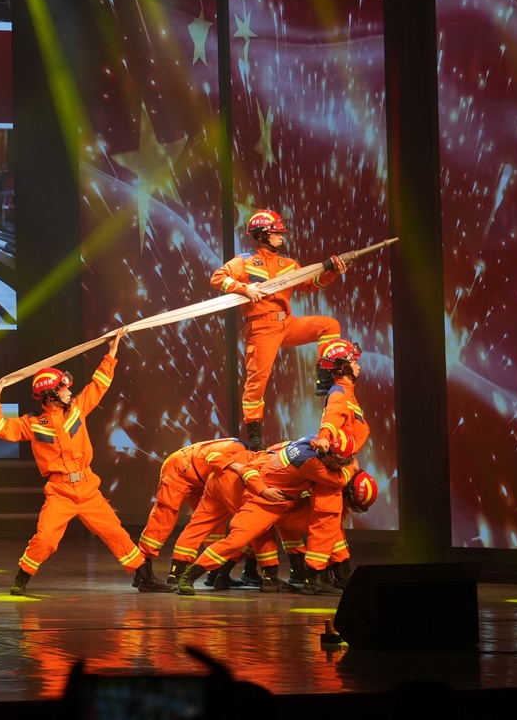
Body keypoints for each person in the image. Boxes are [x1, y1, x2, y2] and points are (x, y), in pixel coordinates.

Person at [0, 329, 167, 595]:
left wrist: (112, 352)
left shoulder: (78, 408)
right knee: (46, 539)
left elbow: (99, 384)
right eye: (63, 388)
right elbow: (0, 429)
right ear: (50, 396)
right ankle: (22, 578)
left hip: (88, 488)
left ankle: (145, 577)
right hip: (60, 493)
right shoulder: (32, 423)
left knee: (115, 533)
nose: (68, 391)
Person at [210, 209, 347, 449]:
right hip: (261, 327)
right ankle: (254, 433)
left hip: (288, 323)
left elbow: (310, 283)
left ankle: (324, 376)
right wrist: (245, 288)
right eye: (276, 233)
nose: (281, 236)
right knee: (257, 383)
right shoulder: (244, 261)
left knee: (329, 325)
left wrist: (332, 273)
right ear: (262, 234)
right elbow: (218, 278)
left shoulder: (288, 263)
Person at [175, 433, 360, 596]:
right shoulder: (310, 463)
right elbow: (339, 480)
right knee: (237, 541)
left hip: (288, 504)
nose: (338, 465)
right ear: (325, 452)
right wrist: (263, 491)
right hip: (265, 504)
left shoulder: (313, 442)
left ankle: (318, 579)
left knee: (328, 523)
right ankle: (189, 576)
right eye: (338, 462)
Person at [134, 437, 251, 585]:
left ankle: (211, 573)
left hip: (201, 477)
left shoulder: (243, 451)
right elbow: (213, 458)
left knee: (212, 522)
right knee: (163, 518)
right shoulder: (239, 450)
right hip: (180, 468)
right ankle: (142, 570)